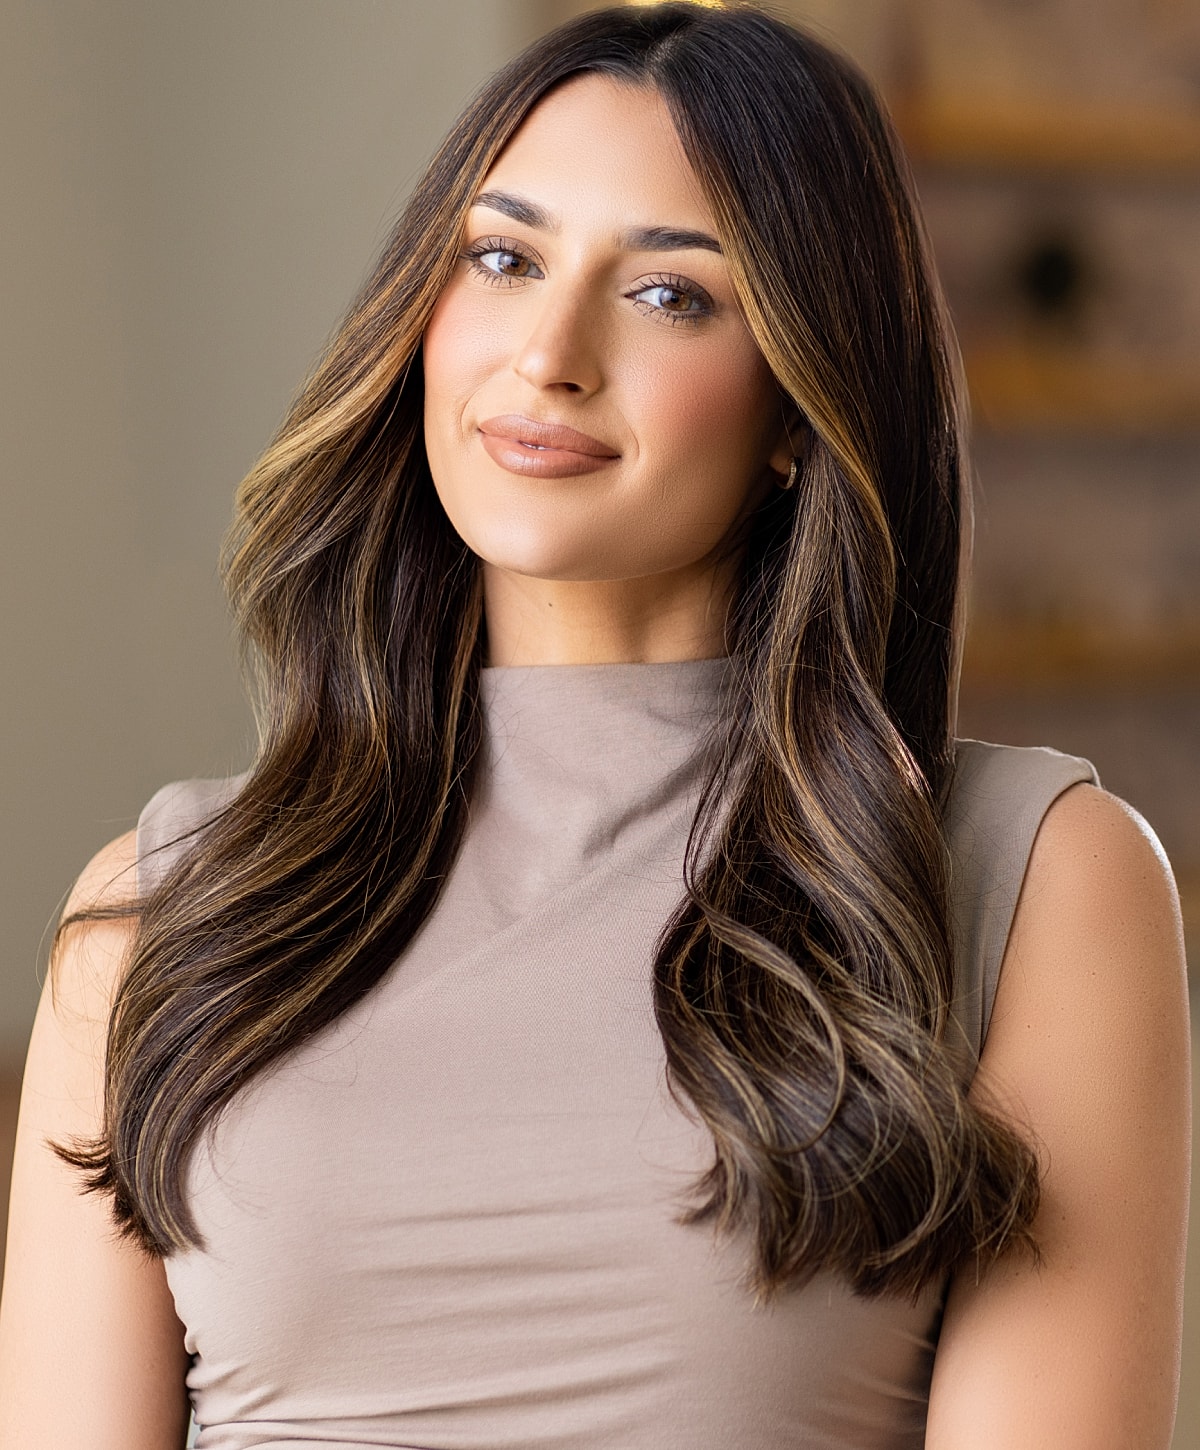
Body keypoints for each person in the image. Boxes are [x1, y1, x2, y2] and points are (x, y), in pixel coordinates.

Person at [0, 4, 1190, 1446]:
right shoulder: (160, 917)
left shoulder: (1030, 879)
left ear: (799, 406)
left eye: (670, 293)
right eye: (504, 260)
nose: (548, 355)